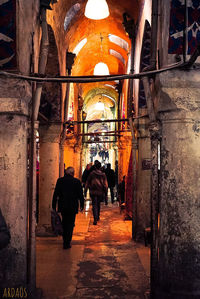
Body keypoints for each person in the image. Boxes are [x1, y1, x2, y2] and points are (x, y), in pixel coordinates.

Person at [52, 166, 84, 249]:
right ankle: (67, 241)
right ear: (72, 173)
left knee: (64, 222)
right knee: (70, 223)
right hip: (73, 206)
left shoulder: (60, 181)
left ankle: (64, 240)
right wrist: (82, 205)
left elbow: (56, 193)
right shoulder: (76, 182)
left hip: (63, 205)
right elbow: (80, 195)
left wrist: (53, 204)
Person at [84, 160, 108, 225]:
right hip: (100, 192)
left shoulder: (92, 174)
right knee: (98, 204)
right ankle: (97, 216)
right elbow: (105, 185)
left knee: (94, 204)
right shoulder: (103, 175)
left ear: (95, 167)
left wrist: (85, 191)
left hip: (93, 191)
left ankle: (95, 218)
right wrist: (105, 193)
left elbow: (87, 182)